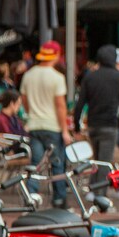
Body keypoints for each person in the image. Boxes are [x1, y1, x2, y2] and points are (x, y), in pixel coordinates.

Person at [71, 45, 119, 196]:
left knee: (96, 159)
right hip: (110, 124)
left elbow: (80, 104)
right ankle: (100, 196)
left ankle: (93, 190)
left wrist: (77, 125)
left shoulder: (90, 77)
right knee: (104, 161)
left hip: (93, 124)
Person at [20, 41, 71, 208]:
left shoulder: (28, 75)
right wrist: (65, 130)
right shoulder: (57, 77)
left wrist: (32, 114)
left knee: (35, 163)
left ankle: (32, 195)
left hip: (34, 125)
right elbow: (60, 106)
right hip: (53, 127)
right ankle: (59, 199)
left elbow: (24, 101)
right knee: (57, 163)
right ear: (56, 55)